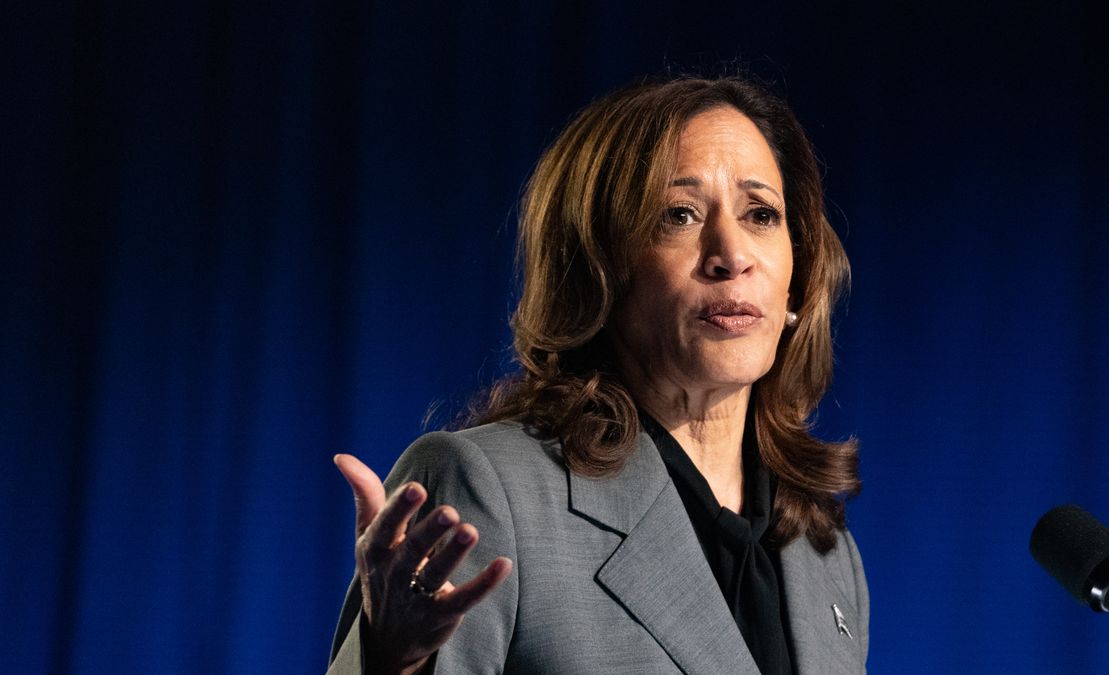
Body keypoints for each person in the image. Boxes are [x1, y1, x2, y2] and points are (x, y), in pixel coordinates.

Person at [328, 76, 867, 674]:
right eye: (679, 214)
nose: (732, 254)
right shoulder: (491, 492)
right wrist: (391, 662)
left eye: (761, 213)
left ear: (799, 272)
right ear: (598, 271)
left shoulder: (824, 551)